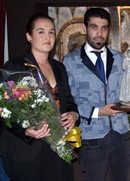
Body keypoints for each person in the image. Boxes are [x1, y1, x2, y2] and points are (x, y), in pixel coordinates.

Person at [62, 8, 130, 180]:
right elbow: (68, 100)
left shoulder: (120, 58)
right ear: (85, 29)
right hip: (91, 138)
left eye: (104, 28)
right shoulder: (70, 62)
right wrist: (99, 111)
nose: (99, 33)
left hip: (121, 137)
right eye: (94, 27)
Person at [0, 13, 79, 181]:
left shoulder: (59, 67)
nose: (48, 37)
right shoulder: (14, 67)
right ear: (29, 36)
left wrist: (73, 114)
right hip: (26, 151)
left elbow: (69, 101)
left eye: (51, 32)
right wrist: (25, 131)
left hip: (57, 147)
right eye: (41, 32)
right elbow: (4, 112)